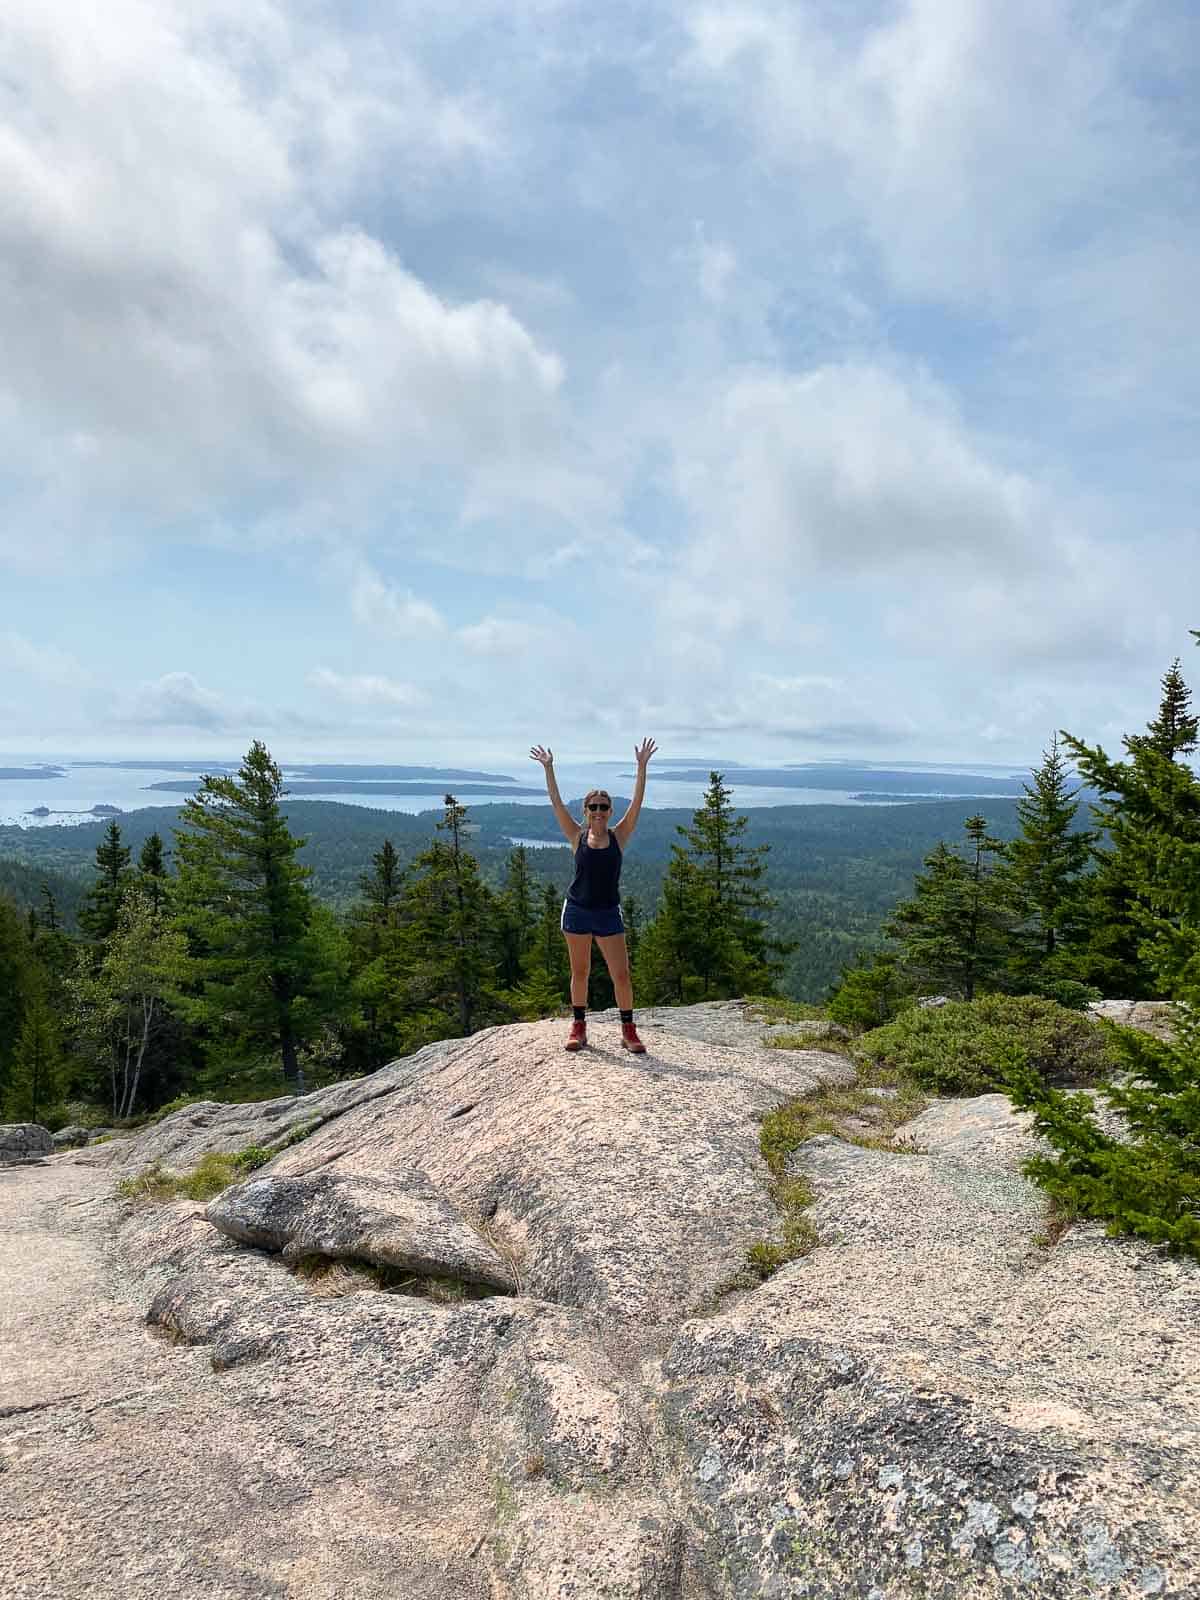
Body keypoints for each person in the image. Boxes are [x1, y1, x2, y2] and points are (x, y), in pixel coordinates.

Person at [529, 738, 657, 1052]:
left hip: (607, 912)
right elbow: (556, 802)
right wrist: (549, 768)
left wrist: (641, 768)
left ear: (610, 811)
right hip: (577, 911)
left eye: (603, 807)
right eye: (593, 807)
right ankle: (578, 1026)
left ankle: (628, 1031)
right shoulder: (576, 836)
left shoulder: (619, 835)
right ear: (585, 811)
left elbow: (637, 804)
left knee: (622, 975)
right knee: (580, 971)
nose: (598, 811)